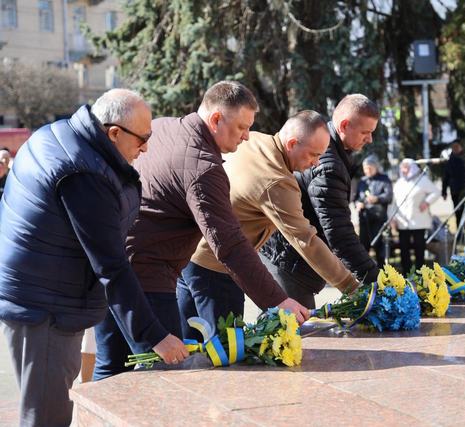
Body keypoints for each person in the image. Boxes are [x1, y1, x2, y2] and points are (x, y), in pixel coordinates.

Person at [93, 81, 307, 380]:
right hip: (149, 280)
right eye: (241, 127)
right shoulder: (203, 167)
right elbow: (229, 244)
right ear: (216, 119)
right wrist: (278, 302)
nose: (246, 136)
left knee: (111, 368)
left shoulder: (162, 127)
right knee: (162, 376)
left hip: (111, 267)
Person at [0, 89, 187, 426]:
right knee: (46, 416)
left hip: (38, 293)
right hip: (44, 307)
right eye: (143, 139)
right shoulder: (83, 172)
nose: (145, 148)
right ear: (113, 132)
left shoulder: (62, 135)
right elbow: (111, 265)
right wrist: (155, 335)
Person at [179, 110, 360, 339]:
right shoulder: (277, 182)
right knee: (226, 348)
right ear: (292, 144)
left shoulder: (255, 140)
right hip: (216, 267)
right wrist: (351, 287)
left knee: (187, 343)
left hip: (189, 252)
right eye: (313, 155)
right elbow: (306, 241)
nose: (315, 163)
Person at [259, 94, 380, 308]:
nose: (370, 139)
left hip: (290, 257)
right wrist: (376, 281)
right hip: (290, 262)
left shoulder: (332, 150)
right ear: (344, 125)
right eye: (365, 132)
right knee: (295, 326)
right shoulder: (329, 165)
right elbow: (338, 233)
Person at [390, 158, 444, 274]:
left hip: (419, 222)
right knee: (404, 249)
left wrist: (426, 202)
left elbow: (436, 192)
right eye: (402, 167)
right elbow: (394, 202)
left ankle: (420, 274)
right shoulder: (399, 183)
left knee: (419, 249)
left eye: (406, 167)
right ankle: (406, 273)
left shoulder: (422, 180)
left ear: (412, 168)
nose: (403, 170)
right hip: (402, 222)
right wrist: (392, 218)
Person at [355, 155, 393, 267]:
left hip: (379, 220)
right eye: (365, 168)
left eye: (370, 168)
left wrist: (377, 199)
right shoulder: (362, 181)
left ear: (376, 167)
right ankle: (365, 273)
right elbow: (357, 198)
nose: (367, 171)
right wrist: (358, 203)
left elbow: (389, 196)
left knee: (380, 250)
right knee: (363, 249)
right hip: (364, 219)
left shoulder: (384, 179)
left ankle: (382, 273)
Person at [442, 140, 465, 241]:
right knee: (458, 213)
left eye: (457, 147)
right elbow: (446, 177)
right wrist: (444, 191)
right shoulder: (450, 160)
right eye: (454, 147)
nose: (455, 149)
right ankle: (460, 235)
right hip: (455, 190)